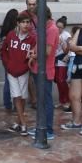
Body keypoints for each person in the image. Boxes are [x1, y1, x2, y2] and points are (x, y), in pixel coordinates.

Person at [1, 12, 35, 135]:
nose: (26, 25)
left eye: (28, 22)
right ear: (18, 23)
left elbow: (33, 54)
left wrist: (27, 66)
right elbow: (3, 50)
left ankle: (18, 122)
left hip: (24, 71)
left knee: (23, 96)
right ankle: (24, 124)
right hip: (11, 71)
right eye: (23, 22)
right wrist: (7, 64)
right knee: (16, 96)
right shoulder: (11, 35)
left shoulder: (32, 39)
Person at [28, 8, 58, 141]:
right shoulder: (43, 27)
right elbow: (38, 45)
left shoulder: (52, 29)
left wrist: (34, 56)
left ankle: (48, 129)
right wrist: (32, 54)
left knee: (46, 101)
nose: (34, 20)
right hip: (37, 68)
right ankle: (40, 126)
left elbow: (47, 51)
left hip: (45, 70)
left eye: (36, 17)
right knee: (41, 100)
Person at [0, 8, 19, 111]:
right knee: (15, 82)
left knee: (7, 81)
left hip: (5, 59)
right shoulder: (15, 32)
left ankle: (7, 103)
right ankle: (15, 105)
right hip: (14, 59)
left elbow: (1, 47)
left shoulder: (4, 32)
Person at [55, 16, 71, 113]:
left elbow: (69, 48)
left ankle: (68, 101)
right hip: (55, 59)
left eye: (60, 27)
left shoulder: (66, 35)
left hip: (63, 59)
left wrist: (62, 43)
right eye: (57, 27)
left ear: (64, 27)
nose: (58, 29)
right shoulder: (54, 33)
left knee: (62, 80)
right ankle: (61, 101)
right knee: (57, 81)